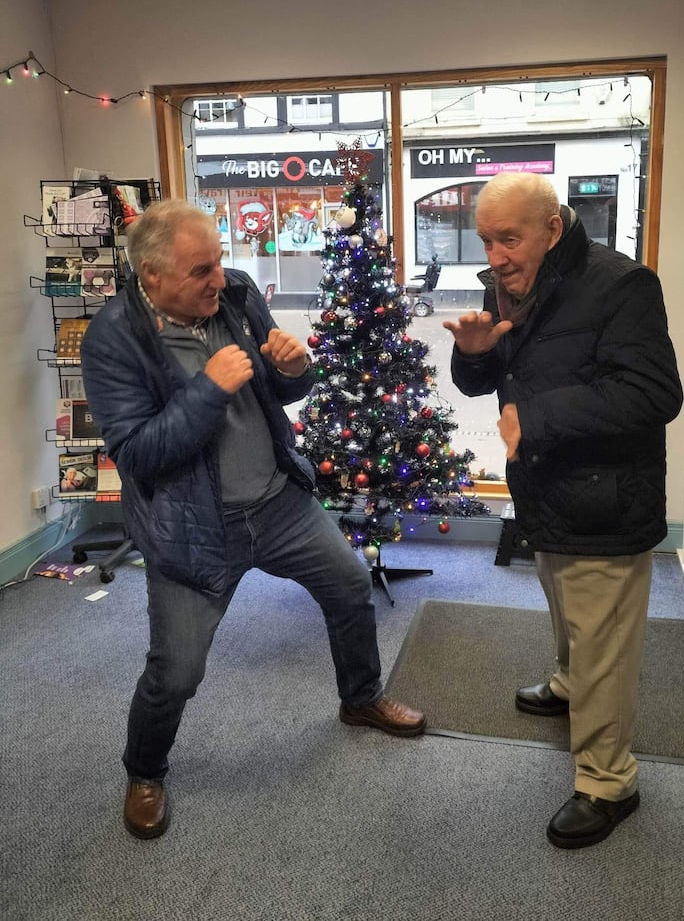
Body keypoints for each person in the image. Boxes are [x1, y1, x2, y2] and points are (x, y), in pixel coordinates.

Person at [80, 199, 425, 841]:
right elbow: (139, 455)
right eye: (199, 270)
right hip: (192, 528)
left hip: (277, 502)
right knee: (177, 669)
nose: (219, 278)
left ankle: (360, 699)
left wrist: (295, 369)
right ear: (151, 277)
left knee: (350, 586)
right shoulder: (113, 340)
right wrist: (208, 389)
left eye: (219, 261)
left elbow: (277, 386)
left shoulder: (234, 295)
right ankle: (145, 770)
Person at [444, 173, 682, 850]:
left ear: (552, 229)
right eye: (487, 240)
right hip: (548, 488)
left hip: (606, 499)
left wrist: (538, 418)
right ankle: (568, 683)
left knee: (603, 637)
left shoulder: (621, 284)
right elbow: (499, 373)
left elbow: (654, 393)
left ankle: (610, 782)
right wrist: (473, 357)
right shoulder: (516, 280)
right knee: (565, 606)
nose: (494, 256)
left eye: (508, 239)